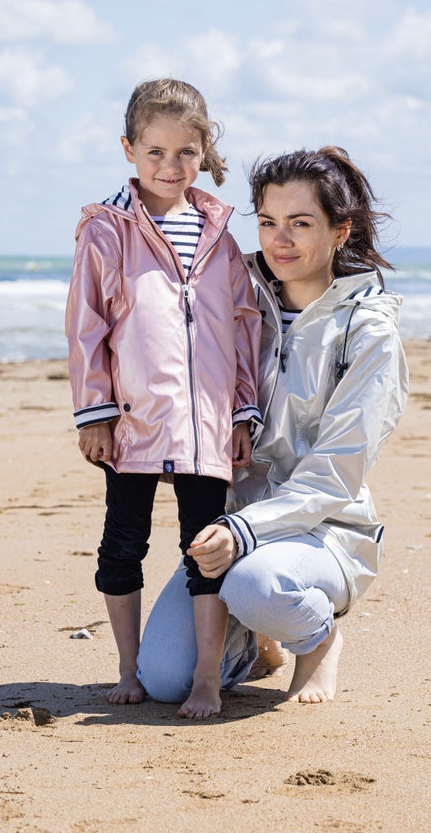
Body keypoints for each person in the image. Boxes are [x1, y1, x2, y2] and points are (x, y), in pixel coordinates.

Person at [136, 145, 409, 707]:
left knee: (258, 584)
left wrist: (245, 534)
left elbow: (336, 471)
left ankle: (317, 635)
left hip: (326, 529)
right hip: (233, 523)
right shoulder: (234, 295)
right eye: (267, 222)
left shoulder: (369, 330)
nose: (279, 239)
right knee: (165, 680)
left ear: (340, 231)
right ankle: (260, 636)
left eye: (301, 223)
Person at [65, 78, 262, 719]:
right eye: (155, 153)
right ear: (129, 149)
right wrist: (94, 412)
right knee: (122, 545)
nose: (170, 167)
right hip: (133, 425)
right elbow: (86, 326)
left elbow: (243, 327)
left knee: (204, 549)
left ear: (204, 151)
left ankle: (208, 676)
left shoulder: (219, 235)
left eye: (186, 152)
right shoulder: (107, 230)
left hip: (207, 428)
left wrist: (240, 410)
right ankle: (127, 668)